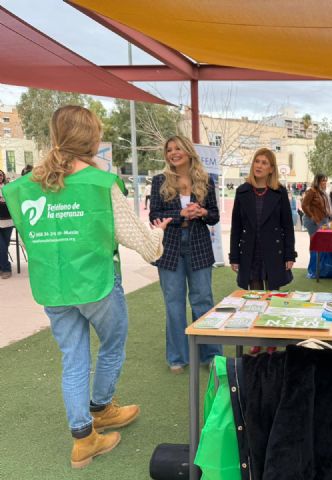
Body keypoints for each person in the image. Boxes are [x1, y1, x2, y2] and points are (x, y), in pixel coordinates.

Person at [2, 105, 170, 468]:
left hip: (52, 285)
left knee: (73, 357)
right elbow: (145, 245)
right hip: (97, 283)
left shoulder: (23, 188)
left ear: (55, 135)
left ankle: (83, 438)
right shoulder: (100, 183)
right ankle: (102, 407)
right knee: (113, 343)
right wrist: (159, 234)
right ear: (91, 138)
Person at [149, 135, 222, 374]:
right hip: (169, 248)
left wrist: (201, 211)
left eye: (178, 148)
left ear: (188, 152)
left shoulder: (205, 180)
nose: (173, 153)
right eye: (169, 150)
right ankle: (177, 357)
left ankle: (210, 355)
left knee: (203, 302)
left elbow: (214, 215)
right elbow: (154, 216)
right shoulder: (160, 180)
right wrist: (182, 214)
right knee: (174, 304)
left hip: (199, 245)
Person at [230, 148, 296, 354]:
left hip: (273, 252)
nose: (259, 165)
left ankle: (272, 340)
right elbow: (236, 227)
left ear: (271, 169)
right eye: (257, 161)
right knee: (256, 298)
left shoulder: (279, 192)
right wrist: (234, 256)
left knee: (274, 297)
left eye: (264, 163)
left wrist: (289, 254)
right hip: (250, 253)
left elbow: (287, 226)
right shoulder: (242, 192)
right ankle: (258, 338)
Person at [0, 169, 13, 279]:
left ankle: (2, 266)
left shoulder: (9, 187)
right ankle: (6, 269)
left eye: (1, 174)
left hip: (8, 221)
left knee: (5, 245)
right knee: (1, 247)